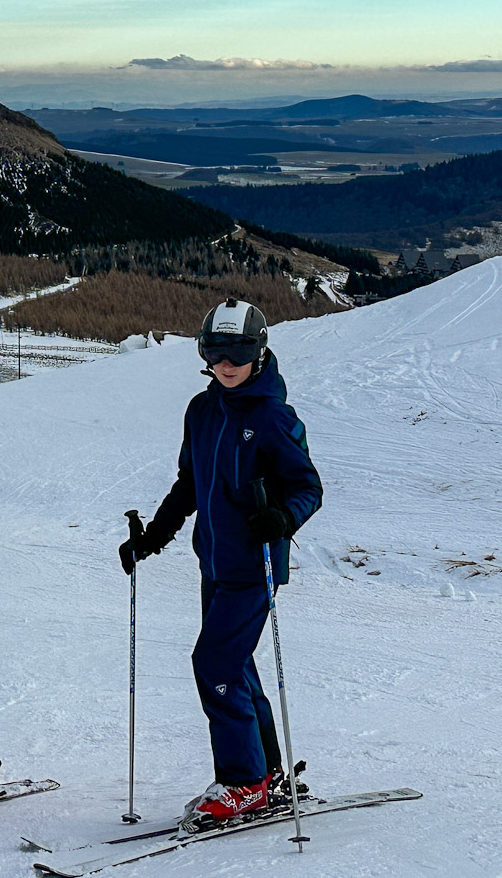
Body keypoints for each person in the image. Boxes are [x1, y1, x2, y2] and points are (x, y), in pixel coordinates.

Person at [119, 299, 323, 831]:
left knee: (214, 665)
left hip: (254, 566)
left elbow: (308, 487)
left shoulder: (275, 418)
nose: (226, 363)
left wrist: (282, 519)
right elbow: (189, 484)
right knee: (235, 666)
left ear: (259, 352)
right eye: (215, 352)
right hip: (213, 562)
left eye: (237, 352)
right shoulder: (202, 410)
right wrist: (153, 538)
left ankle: (243, 782)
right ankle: (266, 772)